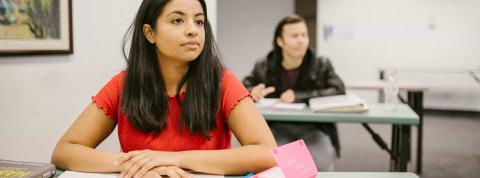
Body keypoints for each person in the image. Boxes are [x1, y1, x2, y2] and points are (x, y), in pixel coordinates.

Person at [51, 0, 276, 177]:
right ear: (150, 33)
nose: (193, 30)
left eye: (199, 21)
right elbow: (65, 151)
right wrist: (141, 166)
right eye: (178, 20)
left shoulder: (223, 82)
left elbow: (268, 153)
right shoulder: (123, 85)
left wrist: (175, 159)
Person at [242, 15, 346, 171]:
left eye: (304, 35)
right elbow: (243, 88)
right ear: (280, 41)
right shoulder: (263, 65)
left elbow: (338, 89)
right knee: (274, 165)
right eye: (295, 36)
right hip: (277, 127)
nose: (301, 40)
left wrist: (298, 97)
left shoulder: (321, 64)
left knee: (320, 166)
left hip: (315, 127)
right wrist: (252, 92)